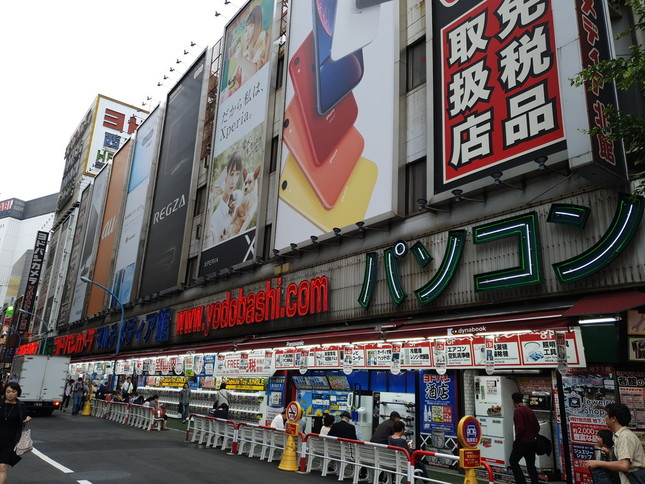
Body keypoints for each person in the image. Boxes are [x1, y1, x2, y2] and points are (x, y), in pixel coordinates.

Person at [586, 403, 645, 484]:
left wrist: (598, 463)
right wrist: (610, 454)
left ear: (613, 418)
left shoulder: (625, 436)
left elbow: (624, 465)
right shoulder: (618, 436)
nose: (605, 418)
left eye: (606, 414)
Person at [206, 152, 243, 245]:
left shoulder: (238, 195)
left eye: (237, 174)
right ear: (225, 177)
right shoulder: (214, 219)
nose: (234, 181)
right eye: (231, 174)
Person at [0, 382, 32, 483]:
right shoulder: (0, 404)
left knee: (2, 467)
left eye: (13, 392)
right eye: (8, 391)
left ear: (17, 393)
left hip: (10, 441)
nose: (10, 394)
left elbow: (23, 419)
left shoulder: (20, 406)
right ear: (4, 392)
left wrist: (26, 420)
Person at [509, 392, 540, 484]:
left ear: (514, 401)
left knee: (513, 461)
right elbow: (537, 427)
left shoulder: (517, 411)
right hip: (532, 442)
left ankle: (521, 481)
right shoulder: (529, 410)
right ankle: (535, 482)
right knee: (531, 465)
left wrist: (517, 439)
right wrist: (532, 435)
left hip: (522, 441)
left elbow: (520, 428)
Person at [235, 5, 269, 84]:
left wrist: (240, 58)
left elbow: (257, 73)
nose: (246, 34)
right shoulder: (246, 52)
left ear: (257, 25)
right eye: (246, 30)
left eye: (250, 26)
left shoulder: (263, 36)